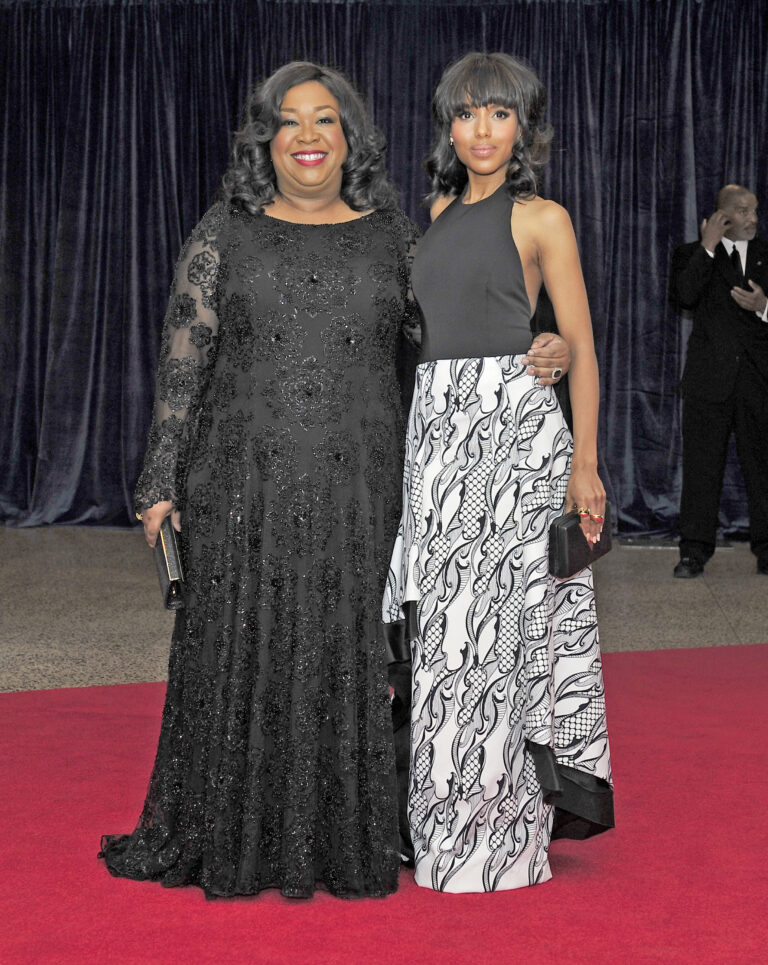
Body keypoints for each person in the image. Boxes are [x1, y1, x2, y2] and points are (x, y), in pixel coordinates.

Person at [99, 60, 571, 898]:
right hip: (241, 483)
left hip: (365, 488)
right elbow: (186, 354)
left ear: (350, 136)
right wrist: (160, 478)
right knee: (242, 651)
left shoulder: (396, 231)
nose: (309, 136)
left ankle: (359, 829)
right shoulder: (224, 229)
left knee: (354, 658)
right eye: (290, 120)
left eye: (327, 119)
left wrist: (549, 345)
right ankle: (229, 830)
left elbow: (458, 329)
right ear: (265, 139)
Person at [383, 51, 614, 894]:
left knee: (509, 640)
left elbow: (579, 345)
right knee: (446, 640)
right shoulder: (435, 213)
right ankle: (442, 828)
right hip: (436, 441)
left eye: (500, 114)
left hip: (517, 440)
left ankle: (512, 841)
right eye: (467, 113)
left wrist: (584, 462)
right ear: (448, 124)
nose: (482, 130)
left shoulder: (542, 217)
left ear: (523, 128)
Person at [669, 184, 768, 578]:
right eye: (743, 211)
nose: (753, 218)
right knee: (701, 470)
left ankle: (766, 549)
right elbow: (684, 297)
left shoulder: (766, 255)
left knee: (762, 469)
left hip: (758, 381)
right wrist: (708, 247)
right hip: (708, 381)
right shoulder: (690, 255)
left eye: (755, 210)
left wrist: (764, 307)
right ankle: (694, 551)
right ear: (722, 215)